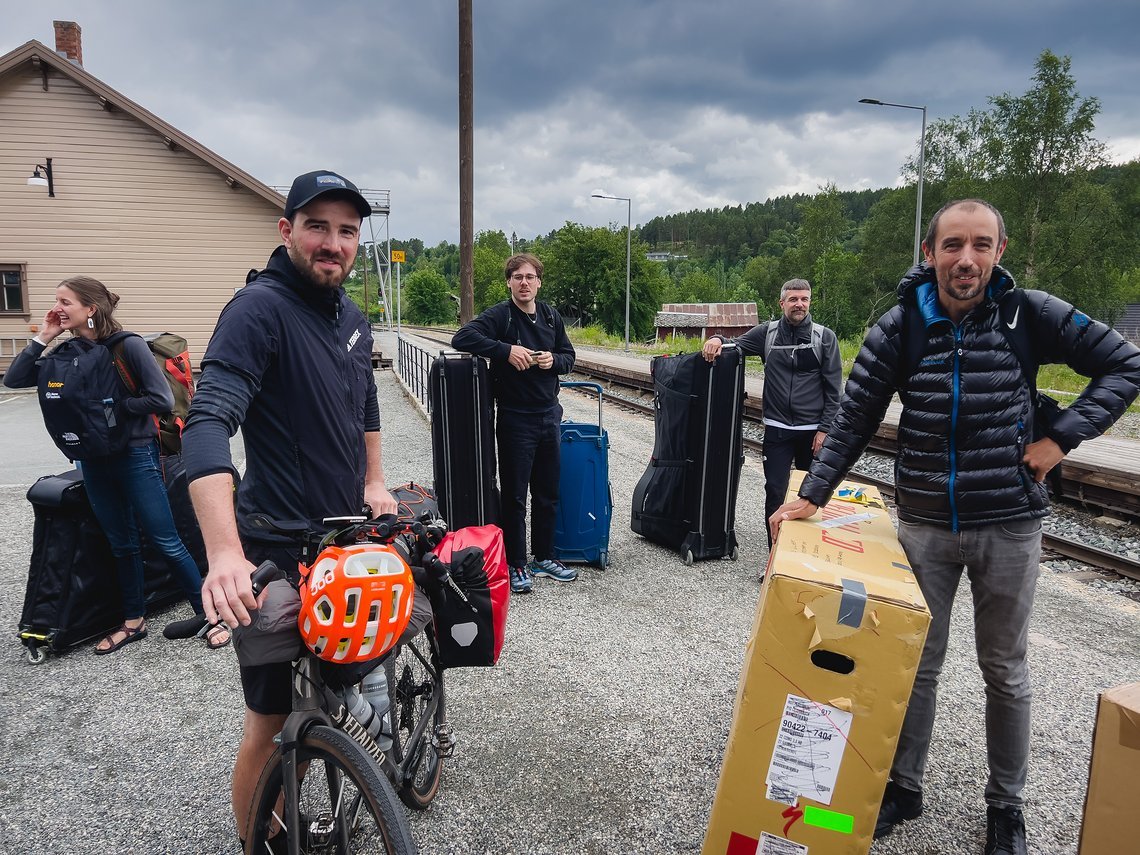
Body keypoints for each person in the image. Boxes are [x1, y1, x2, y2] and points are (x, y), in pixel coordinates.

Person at [770, 199, 1140, 855]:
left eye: (979, 245)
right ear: (929, 253)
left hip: (1010, 524)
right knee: (915, 663)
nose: (965, 259)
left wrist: (1059, 439)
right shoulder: (900, 326)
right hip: (925, 525)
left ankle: (1006, 807)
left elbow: (1126, 364)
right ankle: (904, 787)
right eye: (951, 245)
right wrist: (813, 493)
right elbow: (855, 415)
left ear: (998, 251)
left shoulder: (1032, 313)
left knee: (1006, 669)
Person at [181, 170, 402, 846]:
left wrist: (375, 479)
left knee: (367, 662)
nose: (333, 242)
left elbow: (364, 405)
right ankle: (263, 839)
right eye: (318, 226)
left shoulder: (353, 318)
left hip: (347, 538)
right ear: (287, 231)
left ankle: (366, 748)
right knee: (270, 721)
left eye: (346, 231)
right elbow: (208, 421)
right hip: (276, 544)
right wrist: (223, 553)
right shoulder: (259, 309)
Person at [4, 276, 228, 653]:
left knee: (165, 540)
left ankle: (210, 616)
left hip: (135, 455)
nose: (58, 307)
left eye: (66, 301)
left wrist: (117, 410)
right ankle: (134, 621)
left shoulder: (128, 346)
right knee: (121, 544)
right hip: (92, 460)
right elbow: (14, 379)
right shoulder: (67, 350)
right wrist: (44, 334)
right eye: (56, 300)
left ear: (91, 309)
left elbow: (159, 398)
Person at [452, 253, 577, 593]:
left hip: (549, 415)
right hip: (515, 418)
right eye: (518, 277)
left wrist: (554, 360)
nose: (524, 283)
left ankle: (545, 557)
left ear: (539, 282)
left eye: (530, 277)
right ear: (509, 281)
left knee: (548, 492)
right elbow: (462, 338)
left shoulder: (551, 317)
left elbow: (570, 357)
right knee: (515, 496)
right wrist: (505, 351)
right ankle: (516, 562)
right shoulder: (500, 316)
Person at [702, 278, 842, 548]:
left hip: (812, 431)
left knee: (810, 495)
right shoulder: (768, 334)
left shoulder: (824, 338)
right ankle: (774, 557)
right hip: (777, 429)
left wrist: (825, 430)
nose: (799, 304)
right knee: (775, 490)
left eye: (804, 299)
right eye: (793, 299)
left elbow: (834, 389)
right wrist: (716, 339)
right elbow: (735, 344)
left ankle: (805, 554)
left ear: (810, 302)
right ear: (782, 303)